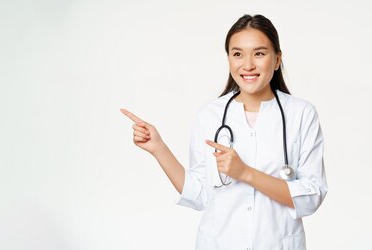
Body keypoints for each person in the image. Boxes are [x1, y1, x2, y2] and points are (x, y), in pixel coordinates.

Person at [121, 14, 327, 250]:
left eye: (259, 53)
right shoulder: (210, 115)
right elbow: (199, 195)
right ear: (228, 59)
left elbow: (311, 196)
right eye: (237, 54)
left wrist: (245, 173)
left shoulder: (301, 114)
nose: (247, 64)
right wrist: (159, 149)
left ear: (277, 59)